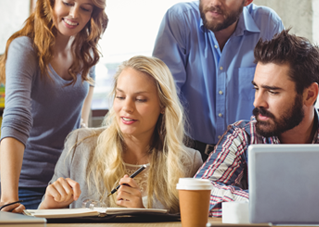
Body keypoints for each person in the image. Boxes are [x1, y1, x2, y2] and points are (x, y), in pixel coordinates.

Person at [195, 30, 319, 225]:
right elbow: (202, 190)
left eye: (272, 92)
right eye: (257, 88)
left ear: (310, 94)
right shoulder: (242, 135)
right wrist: (278, 202)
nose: (257, 102)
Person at [153, 0, 284, 161]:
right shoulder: (179, 20)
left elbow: (280, 95)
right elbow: (163, 94)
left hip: (249, 156)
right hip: (189, 156)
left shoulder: (267, 25)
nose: (215, 1)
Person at [0, 0, 108, 212]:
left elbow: (80, 126)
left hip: (65, 185)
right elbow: (16, 116)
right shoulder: (24, 49)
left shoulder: (87, 55)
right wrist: (8, 197)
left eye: (85, 8)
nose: (74, 15)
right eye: (68, 3)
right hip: (21, 184)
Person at [39, 56, 202, 213]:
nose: (127, 107)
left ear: (163, 105)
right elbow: (42, 220)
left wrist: (140, 216)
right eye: (121, 96)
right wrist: (48, 207)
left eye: (140, 99)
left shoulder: (188, 163)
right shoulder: (80, 145)